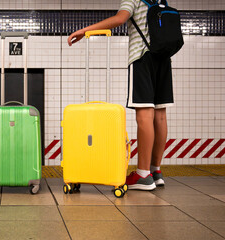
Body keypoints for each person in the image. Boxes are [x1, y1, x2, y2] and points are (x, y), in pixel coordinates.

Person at [67, 0, 172, 190]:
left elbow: (120, 18)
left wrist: (85, 30)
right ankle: (155, 171)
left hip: (142, 57)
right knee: (160, 115)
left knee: (144, 114)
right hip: (163, 59)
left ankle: (142, 175)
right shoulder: (161, 0)